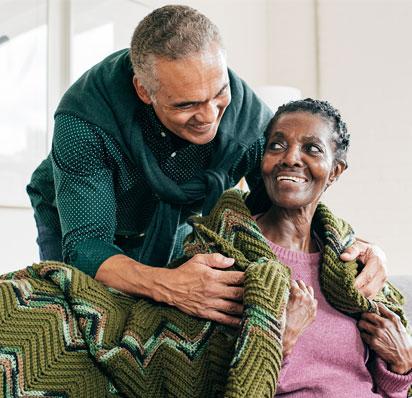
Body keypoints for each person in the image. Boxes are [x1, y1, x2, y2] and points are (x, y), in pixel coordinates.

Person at [27, 5, 387, 328]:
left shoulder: (251, 121)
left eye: (219, 94)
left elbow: (286, 214)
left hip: (172, 220)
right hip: (78, 224)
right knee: (78, 321)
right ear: (143, 90)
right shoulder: (84, 119)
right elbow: (87, 245)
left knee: (164, 320)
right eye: (187, 105)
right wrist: (169, 285)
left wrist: (361, 250)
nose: (210, 116)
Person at [243, 98, 412, 397]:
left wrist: (402, 364)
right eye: (277, 146)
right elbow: (215, 378)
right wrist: (279, 339)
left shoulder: (352, 264)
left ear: (335, 171)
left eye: (312, 149)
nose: (291, 158)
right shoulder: (229, 254)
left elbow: (391, 390)